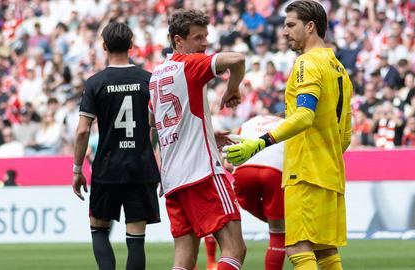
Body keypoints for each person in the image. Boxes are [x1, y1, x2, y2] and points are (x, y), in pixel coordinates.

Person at [224, 1, 353, 269]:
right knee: (326, 252)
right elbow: (346, 137)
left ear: (310, 26)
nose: (284, 31)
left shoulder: (306, 63)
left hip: (304, 172)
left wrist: (260, 143)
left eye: (290, 25)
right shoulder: (339, 69)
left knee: (297, 248)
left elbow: (304, 115)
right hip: (331, 172)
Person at [148, 9, 246, 270]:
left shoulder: (156, 76)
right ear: (179, 41)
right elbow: (237, 59)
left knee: (184, 259)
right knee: (235, 249)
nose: (205, 44)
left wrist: (202, 131)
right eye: (198, 37)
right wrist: (233, 87)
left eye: (206, 36)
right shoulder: (189, 65)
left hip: (172, 179)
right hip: (201, 172)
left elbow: (154, 123)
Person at [72, 22, 161, 270]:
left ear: (103, 46)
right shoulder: (148, 80)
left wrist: (77, 170)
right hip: (141, 168)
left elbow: (82, 131)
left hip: (107, 168)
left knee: (99, 230)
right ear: (132, 46)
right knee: (136, 241)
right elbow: (158, 124)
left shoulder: (95, 83)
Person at [232, 115, 286, 270]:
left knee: (246, 203)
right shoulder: (289, 124)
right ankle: (282, 226)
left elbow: (229, 161)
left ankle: (280, 224)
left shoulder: (249, 121)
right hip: (275, 170)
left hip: (245, 169)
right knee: (278, 233)